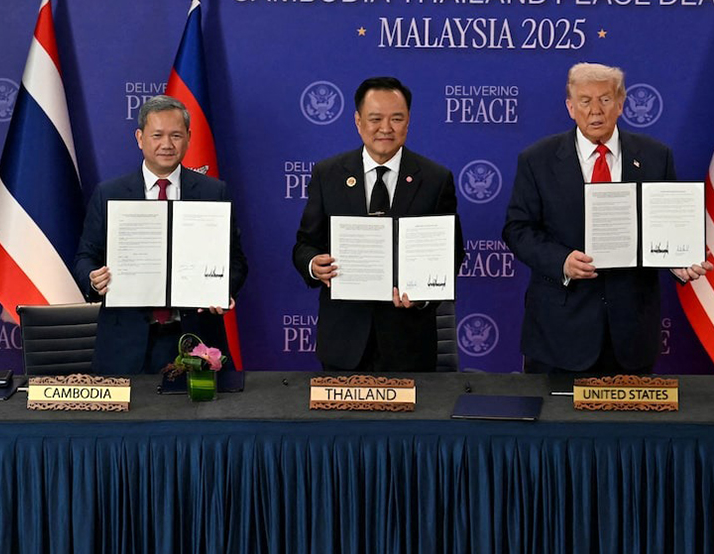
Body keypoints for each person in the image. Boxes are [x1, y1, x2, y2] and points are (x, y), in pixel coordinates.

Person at [503, 62, 712, 374]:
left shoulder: (656, 157)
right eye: (585, 101)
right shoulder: (537, 160)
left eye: (605, 99)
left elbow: (666, 225)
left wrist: (678, 261)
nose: (595, 111)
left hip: (631, 334)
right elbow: (517, 229)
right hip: (559, 333)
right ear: (570, 107)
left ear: (621, 104)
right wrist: (562, 261)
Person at [293, 76, 465, 372]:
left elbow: (452, 253)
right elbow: (305, 244)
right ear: (358, 121)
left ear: (408, 122)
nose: (386, 128)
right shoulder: (328, 174)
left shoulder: (435, 179)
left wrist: (423, 297)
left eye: (396, 119)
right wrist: (313, 264)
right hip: (344, 340)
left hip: (408, 343)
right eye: (375, 119)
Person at [73, 95, 247, 375]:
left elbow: (236, 261)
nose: (167, 144)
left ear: (189, 138)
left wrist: (223, 289)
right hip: (123, 344)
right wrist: (94, 279)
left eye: (176, 135)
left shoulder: (214, 192)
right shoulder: (110, 193)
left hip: (196, 340)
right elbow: (85, 257)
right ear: (140, 138)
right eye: (157, 135)